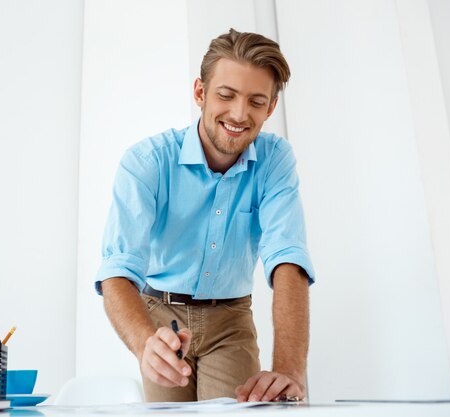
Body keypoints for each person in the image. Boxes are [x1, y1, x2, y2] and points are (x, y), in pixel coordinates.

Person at [94, 28, 315, 402]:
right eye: (226, 95)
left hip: (231, 320)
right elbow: (117, 269)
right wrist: (144, 343)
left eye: (256, 101)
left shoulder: (276, 161)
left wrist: (289, 371)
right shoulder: (145, 162)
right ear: (200, 92)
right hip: (161, 316)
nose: (239, 114)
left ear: (271, 108)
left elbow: (287, 260)